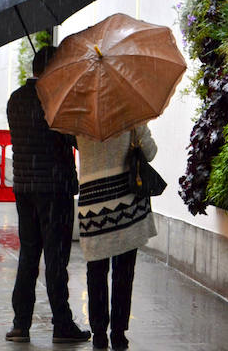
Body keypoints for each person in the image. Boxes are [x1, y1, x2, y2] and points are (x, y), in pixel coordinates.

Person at [5, 46, 90, 344]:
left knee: (28, 255)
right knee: (56, 259)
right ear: (53, 69)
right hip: (55, 191)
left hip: (24, 189)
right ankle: (62, 325)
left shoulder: (15, 99)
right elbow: (76, 139)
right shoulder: (56, 99)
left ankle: (20, 324)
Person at [76, 124, 157, 350]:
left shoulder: (81, 120)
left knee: (96, 272)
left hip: (93, 206)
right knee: (123, 273)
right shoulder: (130, 117)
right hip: (124, 207)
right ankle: (119, 335)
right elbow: (150, 152)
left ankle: (99, 334)